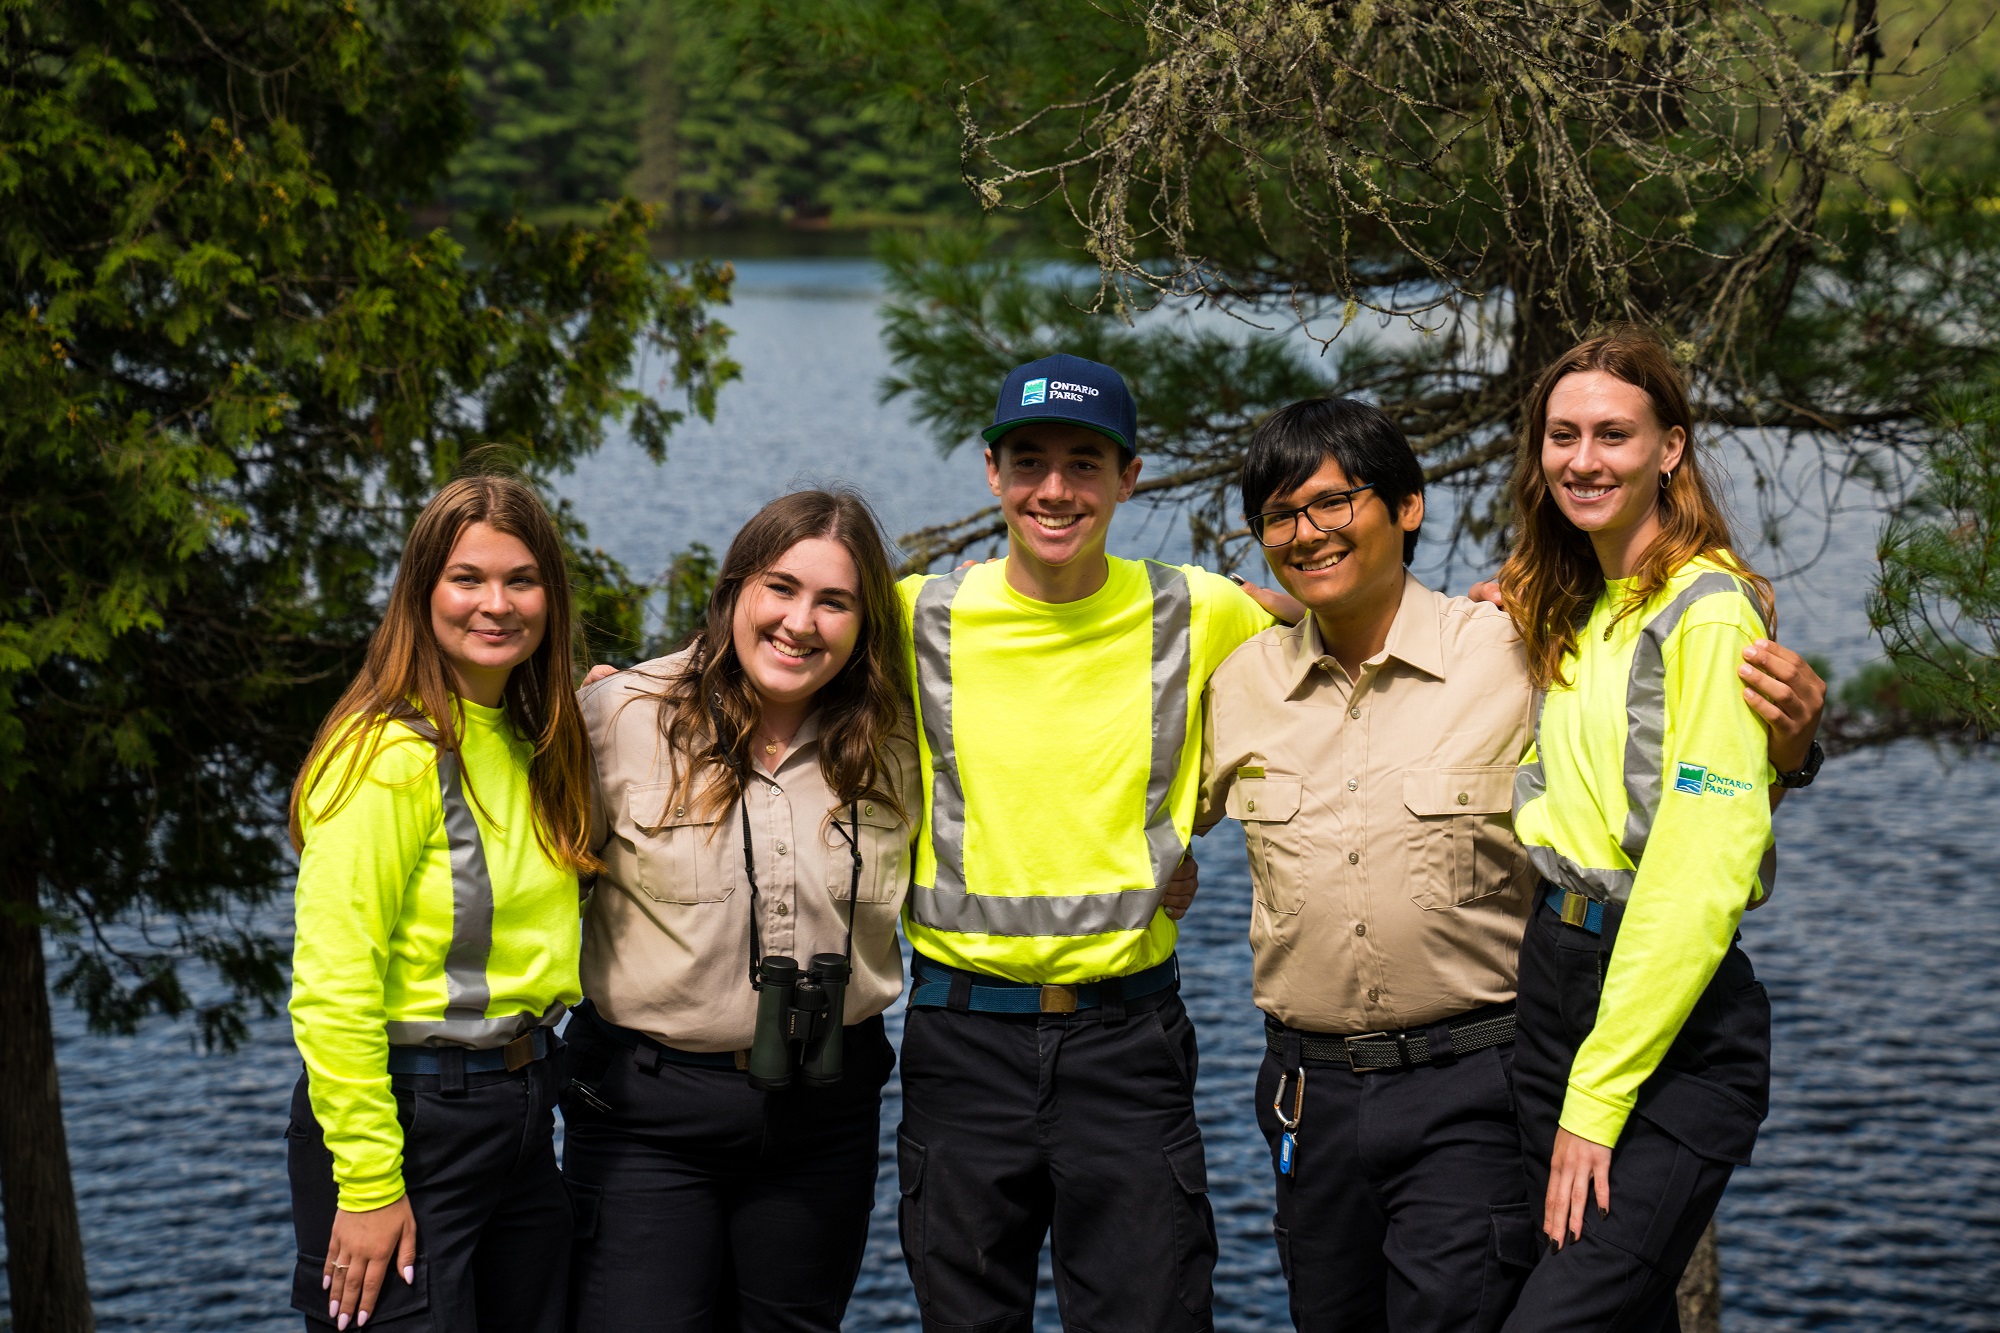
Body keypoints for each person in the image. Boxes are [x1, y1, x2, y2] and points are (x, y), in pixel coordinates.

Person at [1196, 397, 1824, 1332]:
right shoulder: (1240, 683)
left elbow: (1661, 779)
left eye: (1335, 503)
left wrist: (1792, 749)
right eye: (1279, 516)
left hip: (1474, 1089)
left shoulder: (1518, 646)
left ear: (1408, 506)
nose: (1308, 533)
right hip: (1306, 1106)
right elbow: (1137, 810)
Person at [893, 353, 1279, 1333]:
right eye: (1028, 461)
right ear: (991, 471)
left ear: (1128, 476)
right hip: (959, 1039)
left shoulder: (1197, 609)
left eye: (1083, 462)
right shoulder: (917, 617)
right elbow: (762, 651)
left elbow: (1338, 626)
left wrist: (1489, 611)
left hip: (1127, 1043)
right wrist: (610, 687)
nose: (1054, 489)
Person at [560, 490, 918, 1332]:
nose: (801, 621)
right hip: (647, 1116)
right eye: (781, 588)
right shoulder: (618, 718)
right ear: (732, 594)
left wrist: (1163, 865)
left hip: (826, 1115)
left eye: (836, 601)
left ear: (867, 621)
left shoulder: (905, 741)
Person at [1497, 329, 1794, 1330]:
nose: (1583, 459)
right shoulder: (1581, 602)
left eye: (1613, 435)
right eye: (1562, 435)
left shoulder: (1706, 615)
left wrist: (1598, 1091)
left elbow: (1696, 873)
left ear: (1669, 448)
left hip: (1672, 1024)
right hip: (1555, 982)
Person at [286, 475, 593, 1332]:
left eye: (521, 580)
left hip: (522, 1119)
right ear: (422, 592)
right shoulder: (386, 754)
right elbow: (331, 988)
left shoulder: (536, 740)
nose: (496, 604)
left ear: (550, 597)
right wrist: (372, 1183)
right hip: (411, 1125)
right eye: (467, 578)